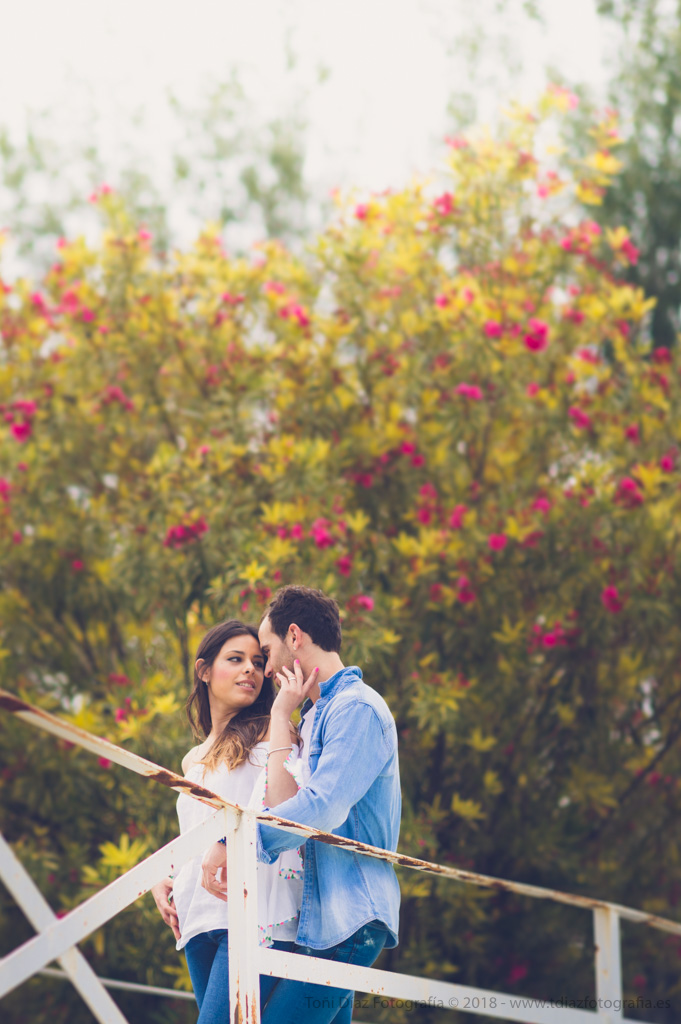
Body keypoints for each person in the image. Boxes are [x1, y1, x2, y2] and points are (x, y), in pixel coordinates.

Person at [201, 586, 402, 1024]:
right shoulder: (315, 715)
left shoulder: (357, 708)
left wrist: (234, 842)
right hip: (322, 919)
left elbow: (323, 807)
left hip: (350, 917)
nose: (266, 667)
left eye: (268, 651)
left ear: (295, 637)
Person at [150, 618, 316, 1023]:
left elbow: (283, 809)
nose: (251, 670)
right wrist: (162, 871)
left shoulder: (271, 734)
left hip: (253, 913)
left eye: (259, 662)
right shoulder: (191, 759)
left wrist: (281, 716)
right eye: (236, 659)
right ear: (204, 671)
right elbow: (197, 831)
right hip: (196, 918)